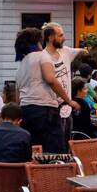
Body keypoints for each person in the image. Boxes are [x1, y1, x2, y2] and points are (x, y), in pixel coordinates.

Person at [17, 22, 80, 154]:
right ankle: (54, 175)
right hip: (44, 111)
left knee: (35, 151)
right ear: (38, 41)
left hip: (26, 110)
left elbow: (18, 91)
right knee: (55, 152)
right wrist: (69, 101)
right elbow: (50, 79)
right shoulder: (42, 56)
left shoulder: (23, 62)